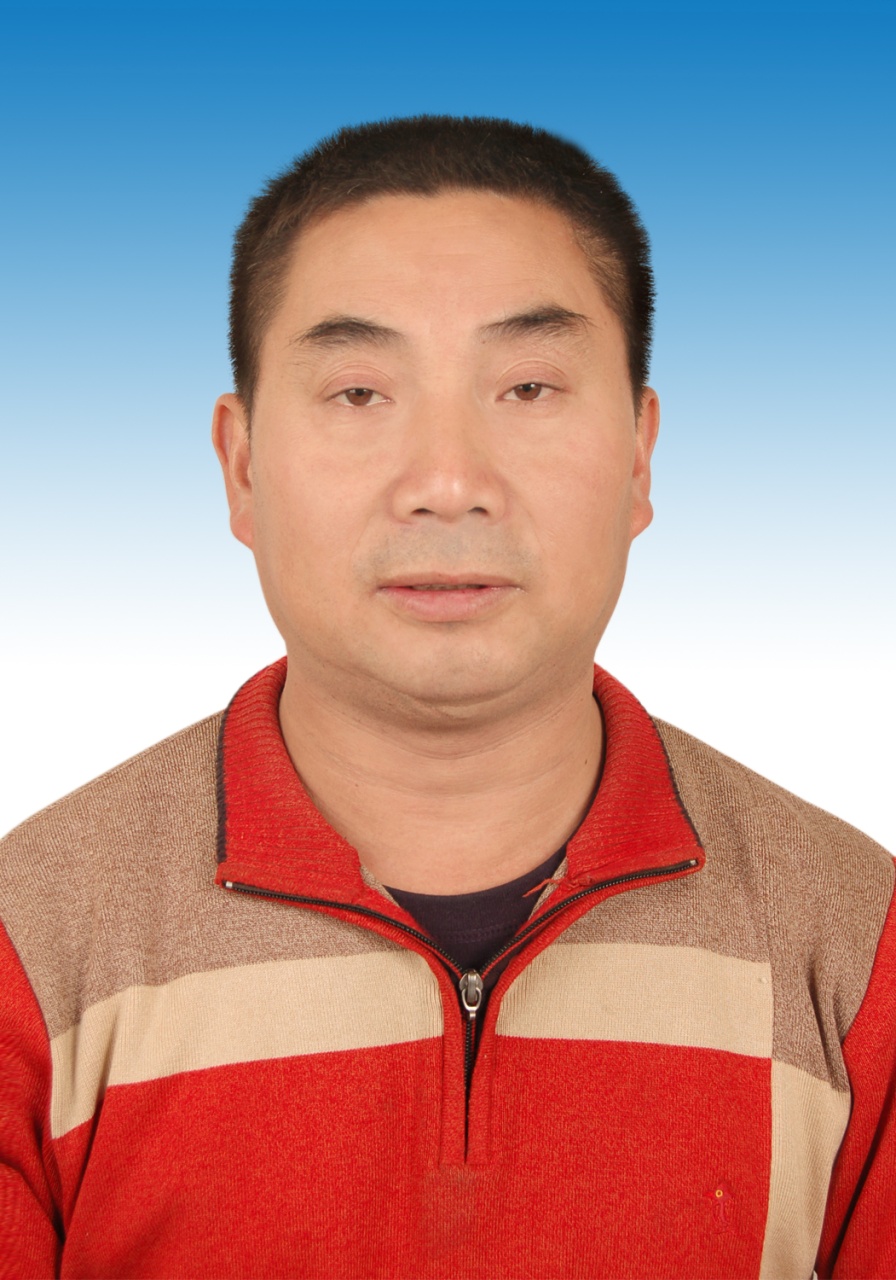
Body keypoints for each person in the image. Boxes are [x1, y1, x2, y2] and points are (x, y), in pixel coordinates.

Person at [0, 115, 893, 1280]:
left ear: (638, 456)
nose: (446, 481)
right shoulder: (29, 945)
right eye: (357, 391)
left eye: (525, 385)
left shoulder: (854, 943)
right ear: (242, 466)